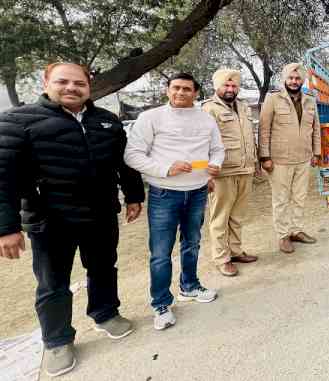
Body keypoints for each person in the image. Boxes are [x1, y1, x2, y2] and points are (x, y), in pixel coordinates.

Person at [0, 63, 145, 377]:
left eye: (78, 82)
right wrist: (6, 228)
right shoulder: (17, 121)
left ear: (88, 85)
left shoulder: (106, 121)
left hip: (101, 215)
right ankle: (57, 340)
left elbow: (125, 163)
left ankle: (106, 313)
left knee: (104, 268)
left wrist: (134, 195)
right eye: (62, 81)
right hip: (51, 221)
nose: (71, 88)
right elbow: (3, 179)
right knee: (53, 285)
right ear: (46, 82)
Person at [125, 72, 225, 330]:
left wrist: (215, 164)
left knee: (191, 243)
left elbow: (217, 149)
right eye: (176, 88)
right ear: (167, 90)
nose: (181, 93)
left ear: (195, 93)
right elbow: (132, 155)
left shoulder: (206, 119)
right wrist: (165, 168)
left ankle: (189, 286)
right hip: (164, 193)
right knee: (160, 253)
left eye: (187, 89)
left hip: (197, 191)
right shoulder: (151, 118)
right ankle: (160, 303)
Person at [258, 63, 321, 254]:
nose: (294, 81)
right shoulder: (273, 98)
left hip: (303, 158)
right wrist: (265, 157)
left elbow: (315, 128)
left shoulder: (310, 99)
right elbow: (264, 129)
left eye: (298, 78)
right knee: (281, 200)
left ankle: (296, 230)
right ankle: (283, 235)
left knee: (299, 198)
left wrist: (316, 152)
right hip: (279, 160)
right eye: (291, 78)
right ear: (284, 79)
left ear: (302, 80)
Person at [202, 69, 259, 277]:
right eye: (226, 85)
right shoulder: (209, 109)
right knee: (220, 218)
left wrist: (256, 162)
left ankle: (235, 251)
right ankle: (222, 258)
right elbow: (203, 142)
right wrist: (206, 174)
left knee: (237, 215)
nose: (230, 89)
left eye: (234, 85)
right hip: (222, 172)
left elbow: (249, 136)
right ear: (217, 87)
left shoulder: (243, 107)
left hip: (245, 169)